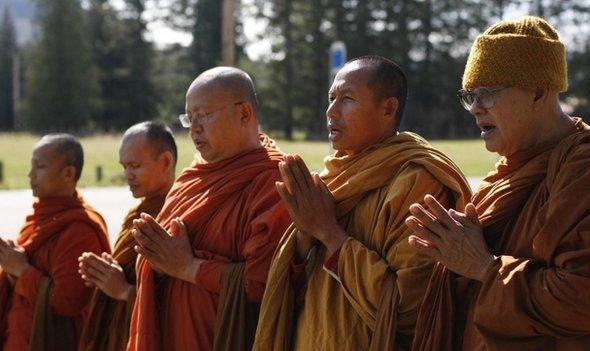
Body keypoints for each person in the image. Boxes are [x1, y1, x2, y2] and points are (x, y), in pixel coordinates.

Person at [409, 16, 590, 351]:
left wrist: (484, 266)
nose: (475, 109)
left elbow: (588, 300)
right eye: (470, 96)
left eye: (487, 94)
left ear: (538, 92)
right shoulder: (510, 169)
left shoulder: (588, 168)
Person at [253, 55, 472, 350]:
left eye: (348, 99)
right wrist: (305, 235)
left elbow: (408, 307)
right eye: (331, 98)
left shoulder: (418, 182)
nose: (331, 111)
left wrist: (329, 233)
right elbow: (296, 286)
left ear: (388, 108)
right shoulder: (333, 177)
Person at [126, 67, 291, 351]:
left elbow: (267, 283)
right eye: (189, 119)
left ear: (244, 114)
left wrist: (189, 268)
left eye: (203, 116)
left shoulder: (274, 181)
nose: (194, 128)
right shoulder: (192, 178)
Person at [0, 134, 110, 351]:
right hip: (19, 337)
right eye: (32, 166)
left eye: (39, 167)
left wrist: (21, 270)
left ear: (68, 173)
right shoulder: (40, 218)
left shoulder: (79, 231)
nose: (31, 175)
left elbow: (68, 301)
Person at [78, 121, 177, 351]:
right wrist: (105, 274)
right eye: (124, 166)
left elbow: (179, 299)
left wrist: (124, 291)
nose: (127, 175)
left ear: (166, 161)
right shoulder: (139, 212)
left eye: (134, 165)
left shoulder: (175, 215)